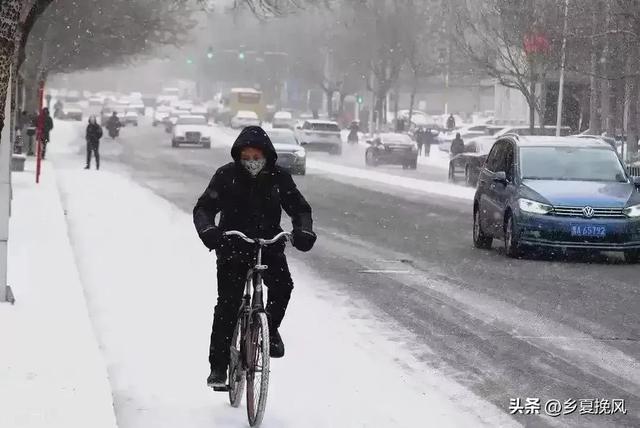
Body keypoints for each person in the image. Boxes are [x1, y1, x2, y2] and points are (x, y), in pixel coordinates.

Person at [193, 126, 317, 388]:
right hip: (233, 246)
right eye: (246, 158)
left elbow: (299, 208)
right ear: (239, 156)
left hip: (268, 245)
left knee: (283, 286)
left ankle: (269, 329)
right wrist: (210, 231)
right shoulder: (226, 175)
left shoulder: (278, 177)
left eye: (256, 157)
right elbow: (204, 208)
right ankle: (218, 366)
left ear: (266, 155)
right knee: (228, 303)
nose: (252, 163)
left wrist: (303, 231)